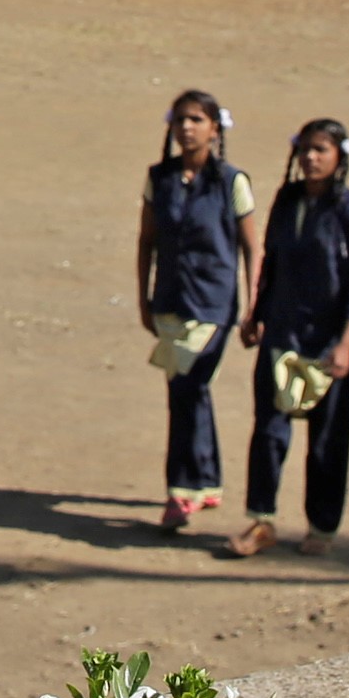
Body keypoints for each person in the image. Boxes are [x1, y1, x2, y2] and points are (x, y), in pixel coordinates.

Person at [227, 116, 349, 558]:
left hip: (329, 343)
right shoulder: (287, 200)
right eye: (305, 149)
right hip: (282, 334)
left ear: (339, 157)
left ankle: (322, 527)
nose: (311, 158)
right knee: (270, 433)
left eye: (321, 150)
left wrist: (347, 342)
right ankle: (261, 520)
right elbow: (270, 261)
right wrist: (257, 312)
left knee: (327, 440)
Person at [133, 88, 256, 534]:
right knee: (187, 391)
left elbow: (250, 247)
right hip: (170, 301)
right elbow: (146, 240)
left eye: (197, 120)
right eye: (181, 120)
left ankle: (180, 490)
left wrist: (253, 301)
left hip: (214, 305)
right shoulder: (159, 179)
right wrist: (143, 298)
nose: (187, 128)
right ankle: (207, 479)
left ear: (215, 129)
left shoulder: (231, 182)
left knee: (188, 385)